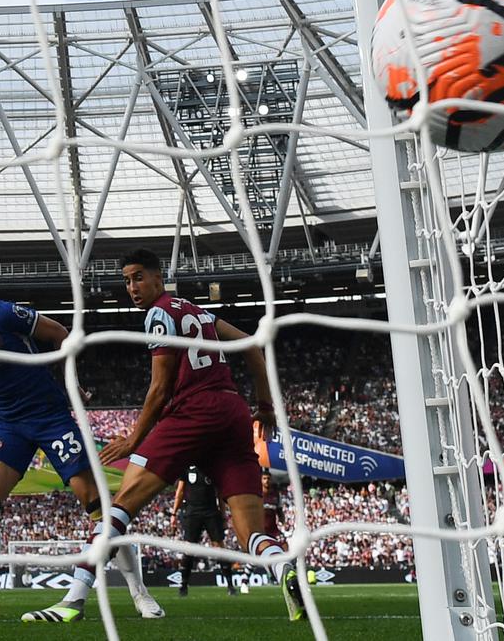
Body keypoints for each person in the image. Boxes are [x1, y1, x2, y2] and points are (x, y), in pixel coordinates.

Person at [23, 248, 305, 623]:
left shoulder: (159, 313)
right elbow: (254, 346)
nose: (132, 287)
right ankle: (281, 567)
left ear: (159, 278)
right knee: (250, 531)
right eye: (126, 281)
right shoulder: (200, 313)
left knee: (120, 505)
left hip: (193, 412)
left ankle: (73, 600)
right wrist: (265, 406)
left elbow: (159, 389)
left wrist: (135, 438)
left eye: (138, 277)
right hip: (232, 411)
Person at [0, 268, 162, 622]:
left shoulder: (4, 313)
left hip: (51, 416)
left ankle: (138, 592)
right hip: (10, 424)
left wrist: (73, 382)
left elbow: (59, 334)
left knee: (100, 507)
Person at [171, 466, 238, 597]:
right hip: (192, 513)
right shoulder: (187, 468)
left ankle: (230, 586)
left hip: (211, 512)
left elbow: (219, 493)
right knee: (189, 549)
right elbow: (180, 491)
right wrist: (174, 513)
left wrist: (223, 516)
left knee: (219, 547)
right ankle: (183, 586)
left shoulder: (211, 467)